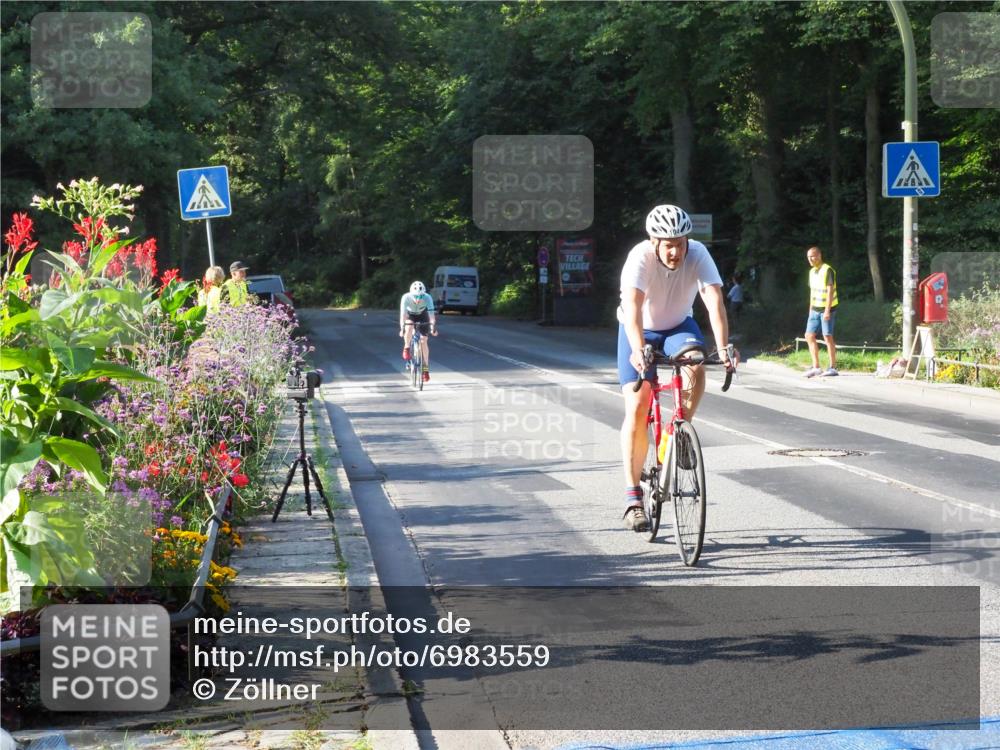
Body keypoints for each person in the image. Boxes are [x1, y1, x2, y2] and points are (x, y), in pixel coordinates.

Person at [618, 205, 737, 532]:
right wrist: (639, 349)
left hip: (678, 326)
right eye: (668, 244)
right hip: (638, 327)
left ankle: (679, 431)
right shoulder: (639, 257)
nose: (675, 250)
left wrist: (724, 347)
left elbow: (714, 301)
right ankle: (633, 500)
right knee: (639, 404)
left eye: (680, 243)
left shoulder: (698, 253)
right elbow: (633, 308)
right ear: (654, 242)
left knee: (697, 364)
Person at [803, 245, 838, 377]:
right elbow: (812, 291)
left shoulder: (827, 270)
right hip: (815, 309)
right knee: (809, 335)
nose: (810, 259)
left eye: (812, 256)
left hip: (827, 309)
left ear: (819, 256)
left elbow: (830, 291)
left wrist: (828, 311)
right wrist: (810, 308)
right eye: (808, 257)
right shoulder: (812, 272)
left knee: (827, 336)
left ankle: (833, 367)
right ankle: (816, 366)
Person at [399, 280, 438, 382]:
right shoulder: (406, 297)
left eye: (420, 297)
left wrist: (433, 327)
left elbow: (431, 316)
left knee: (424, 340)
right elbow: (403, 315)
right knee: (408, 327)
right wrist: (402, 328)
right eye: (415, 297)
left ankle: (425, 369)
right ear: (411, 294)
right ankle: (407, 347)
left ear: (423, 295)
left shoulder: (428, 298)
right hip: (410, 314)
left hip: (422, 315)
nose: (417, 299)